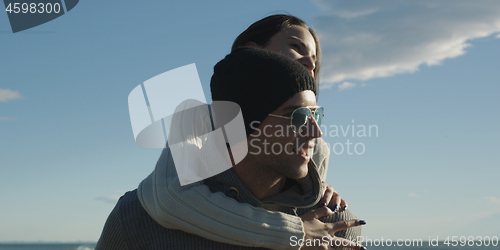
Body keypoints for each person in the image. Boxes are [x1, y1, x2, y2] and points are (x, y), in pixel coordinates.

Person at [96, 47, 365, 250]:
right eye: (297, 117)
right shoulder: (136, 220)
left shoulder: (335, 226)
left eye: (316, 115)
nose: (315, 132)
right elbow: (170, 192)